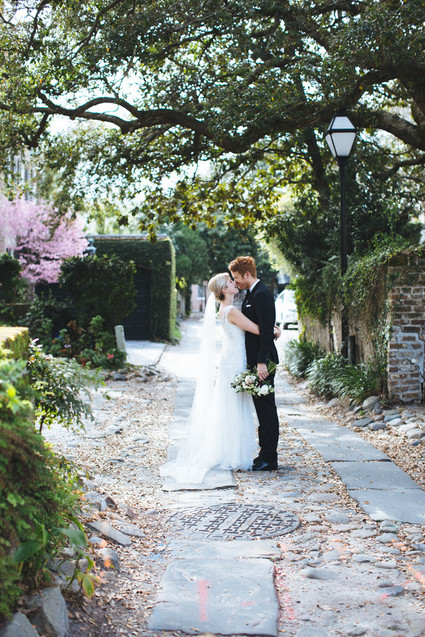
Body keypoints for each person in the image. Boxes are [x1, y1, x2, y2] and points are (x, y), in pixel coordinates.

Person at [160, 272, 267, 485]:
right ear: (224, 289)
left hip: (231, 359)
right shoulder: (231, 311)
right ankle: (233, 455)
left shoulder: (225, 309)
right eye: (230, 282)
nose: (234, 283)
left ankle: (230, 452)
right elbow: (255, 329)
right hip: (234, 361)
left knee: (229, 406)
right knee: (234, 406)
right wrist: (273, 331)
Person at [229, 256, 279, 471]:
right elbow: (265, 326)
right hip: (257, 361)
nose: (236, 282)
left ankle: (270, 458)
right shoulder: (252, 293)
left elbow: (266, 331)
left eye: (237, 277)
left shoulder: (261, 294)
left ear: (247, 274)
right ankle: (264, 455)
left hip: (263, 363)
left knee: (267, 410)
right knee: (262, 410)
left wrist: (261, 362)